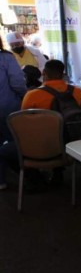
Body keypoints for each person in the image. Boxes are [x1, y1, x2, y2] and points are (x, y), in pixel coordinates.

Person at [21, 59, 81, 185]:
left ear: (44, 73)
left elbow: (23, 121)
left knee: (5, 151)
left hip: (39, 148)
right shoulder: (76, 91)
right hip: (71, 144)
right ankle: (58, 171)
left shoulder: (31, 95)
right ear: (62, 74)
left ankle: (36, 180)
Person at [0, 36, 27, 190]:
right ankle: (26, 176)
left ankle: (1, 180)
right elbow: (17, 82)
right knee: (14, 141)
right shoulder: (5, 58)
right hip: (6, 107)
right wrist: (24, 94)